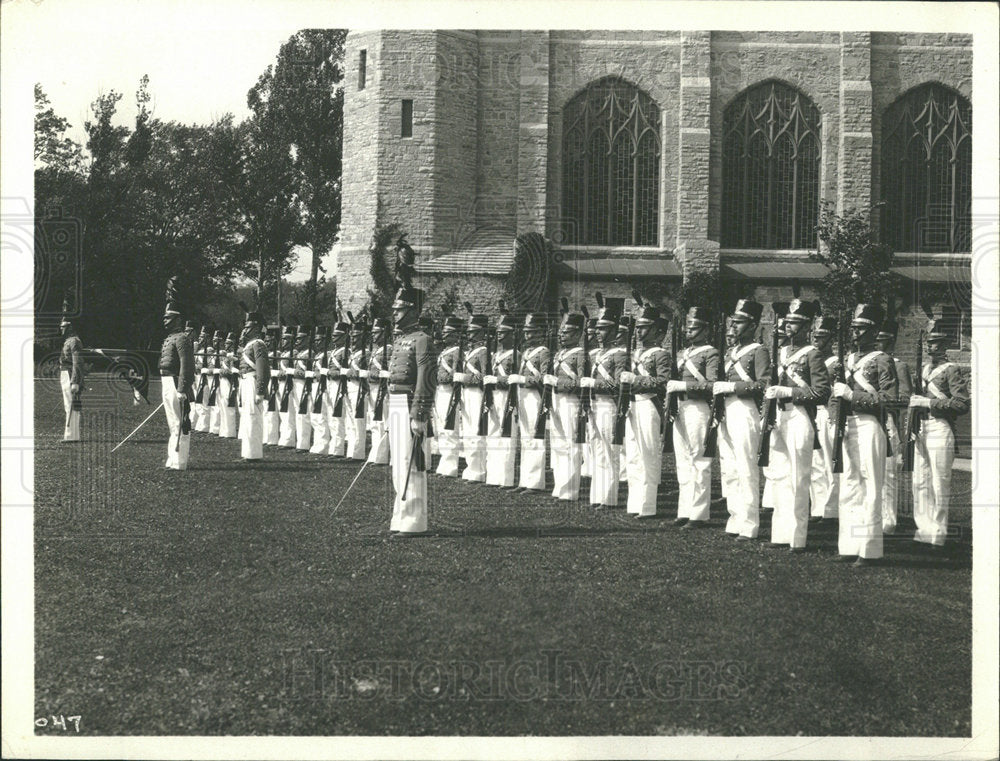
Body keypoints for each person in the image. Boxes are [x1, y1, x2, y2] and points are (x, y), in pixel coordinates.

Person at [831, 303, 897, 567]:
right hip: (847, 424)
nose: (855, 334)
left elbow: (890, 399)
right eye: (854, 328)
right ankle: (849, 544)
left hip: (870, 424)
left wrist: (853, 396)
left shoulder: (882, 360)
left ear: (873, 332)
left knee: (870, 487)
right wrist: (835, 419)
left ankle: (869, 549)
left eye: (861, 329)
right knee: (849, 486)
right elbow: (834, 395)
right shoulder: (846, 360)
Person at [764, 299, 829, 552]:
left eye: (795, 323)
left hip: (800, 415)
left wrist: (789, 392)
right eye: (788, 322)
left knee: (799, 477)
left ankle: (798, 537)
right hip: (779, 416)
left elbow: (822, 392)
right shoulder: (779, 353)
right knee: (779, 475)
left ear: (806, 327)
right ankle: (780, 533)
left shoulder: (812, 354)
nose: (789, 327)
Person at [909, 318, 969, 549]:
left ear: (944, 345)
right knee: (919, 482)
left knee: (939, 482)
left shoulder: (951, 369)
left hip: (939, 427)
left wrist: (929, 402)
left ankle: (939, 533)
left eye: (934, 343)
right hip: (921, 427)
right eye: (928, 342)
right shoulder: (924, 369)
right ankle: (924, 530)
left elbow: (962, 404)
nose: (929, 346)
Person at [714, 299, 769, 539]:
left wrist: (732, 386)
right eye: (733, 322)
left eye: (739, 322)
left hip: (745, 409)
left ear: (752, 325)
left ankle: (749, 523)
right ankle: (734, 518)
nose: (734, 326)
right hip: (727, 409)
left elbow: (764, 384)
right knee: (730, 467)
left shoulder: (759, 351)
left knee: (746, 467)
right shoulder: (731, 352)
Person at [386, 285, 437, 537]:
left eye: (401, 310)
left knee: (412, 463)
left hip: (409, 405)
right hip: (396, 403)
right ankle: (401, 516)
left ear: (413, 311)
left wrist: (419, 414)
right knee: (398, 462)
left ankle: (415, 521)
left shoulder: (423, 340)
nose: (395, 314)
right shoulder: (399, 339)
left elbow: (426, 380)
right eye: (395, 310)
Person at [666, 306, 719, 527]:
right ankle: (684, 510)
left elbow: (711, 384)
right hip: (680, 407)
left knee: (700, 461)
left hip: (698, 408)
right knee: (683, 462)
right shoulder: (682, 353)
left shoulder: (711, 353)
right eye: (688, 327)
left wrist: (684, 385)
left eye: (695, 328)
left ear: (705, 330)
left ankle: (699, 514)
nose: (690, 331)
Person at [622, 306, 670, 518]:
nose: (639, 332)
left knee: (648, 455)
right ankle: (635, 503)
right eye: (638, 327)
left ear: (655, 330)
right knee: (632, 455)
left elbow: (663, 382)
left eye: (644, 328)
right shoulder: (636, 353)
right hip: (632, 403)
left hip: (650, 404)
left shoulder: (661, 354)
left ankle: (648, 505)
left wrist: (636, 380)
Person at [584, 303, 627, 508]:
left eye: (603, 329)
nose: (598, 333)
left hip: (609, 404)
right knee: (597, 450)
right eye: (598, 329)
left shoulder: (620, 354)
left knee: (610, 452)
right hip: (593, 404)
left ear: (614, 330)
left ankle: (609, 497)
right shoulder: (595, 354)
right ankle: (597, 495)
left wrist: (595, 384)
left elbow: (618, 384)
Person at [875, 320, 913, 535]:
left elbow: (905, 398)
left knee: (889, 473)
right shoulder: (872, 362)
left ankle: (888, 521)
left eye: (881, 340)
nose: (877, 343)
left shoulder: (898, 365)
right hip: (871, 419)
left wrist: (882, 401)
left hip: (888, 420)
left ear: (890, 341)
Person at [548, 311, 587, 502]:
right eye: (562, 332)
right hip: (556, 399)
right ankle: (560, 485)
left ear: (578, 334)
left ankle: (570, 489)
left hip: (571, 400)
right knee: (558, 444)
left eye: (568, 332)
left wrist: (557, 383)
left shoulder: (580, 354)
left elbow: (580, 382)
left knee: (571, 444)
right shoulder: (559, 354)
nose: (562, 335)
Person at [511, 314, 550, 493]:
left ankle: (535, 482)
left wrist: (523, 379)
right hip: (523, 395)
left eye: (532, 332)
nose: (528, 336)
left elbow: (543, 378)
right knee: (525, 439)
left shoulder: (544, 352)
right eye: (526, 332)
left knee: (535, 439)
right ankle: (524, 480)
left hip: (535, 396)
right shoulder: (525, 352)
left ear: (540, 333)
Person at [158, 278, 194, 470]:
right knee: (172, 421)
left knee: (181, 422)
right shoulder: (171, 338)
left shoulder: (181, 338)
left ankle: (180, 460)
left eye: (168, 318)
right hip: (167, 382)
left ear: (177, 320)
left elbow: (187, 366)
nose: (165, 321)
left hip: (175, 382)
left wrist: (182, 388)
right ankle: (172, 458)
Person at [808, 315, 841, 523]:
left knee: (830, 462)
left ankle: (831, 509)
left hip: (828, 412)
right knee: (815, 464)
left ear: (830, 340)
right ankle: (818, 507)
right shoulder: (811, 358)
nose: (816, 340)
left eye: (821, 337)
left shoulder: (835, 363)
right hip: (811, 412)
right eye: (814, 336)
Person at [485, 312, 518, 488]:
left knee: (506, 435)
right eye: (498, 332)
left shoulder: (516, 354)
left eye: (503, 332)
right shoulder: (495, 355)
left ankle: (505, 478)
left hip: (507, 396)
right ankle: (493, 475)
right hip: (493, 394)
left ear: (512, 334)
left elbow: (515, 379)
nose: (499, 336)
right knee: (492, 434)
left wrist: (497, 380)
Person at [760, 306, 789, 513]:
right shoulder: (775, 358)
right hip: (774, 408)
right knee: (772, 453)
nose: (778, 337)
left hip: (793, 409)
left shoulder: (796, 357)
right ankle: (771, 499)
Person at [458, 310, 490, 483]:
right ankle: (471, 468)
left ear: (481, 332)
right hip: (467, 393)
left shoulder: (483, 351)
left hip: (477, 393)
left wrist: (465, 378)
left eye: (472, 332)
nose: (469, 335)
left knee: (477, 433)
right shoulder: (470, 351)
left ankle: (478, 470)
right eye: (468, 332)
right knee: (468, 432)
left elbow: (485, 377)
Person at [434, 315, 465, 476]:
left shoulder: (457, 351)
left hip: (450, 391)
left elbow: (456, 373)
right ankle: (444, 463)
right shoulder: (445, 351)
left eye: (448, 332)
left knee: (449, 428)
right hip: (440, 390)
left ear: (455, 335)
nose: (444, 335)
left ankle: (451, 466)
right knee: (441, 428)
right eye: (444, 331)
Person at [237, 307, 270, 461]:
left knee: (253, 417)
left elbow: (262, 369)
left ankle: (254, 454)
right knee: (246, 417)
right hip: (245, 381)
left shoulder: (258, 344)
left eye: (248, 327)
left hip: (252, 381)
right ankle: (247, 452)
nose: (245, 330)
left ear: (256, 328)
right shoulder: (249, 345)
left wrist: (260, 391)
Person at [366, 318, 393, 465]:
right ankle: (375, 454)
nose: (373, 335)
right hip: (373, 387)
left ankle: (381, 456)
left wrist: (383, 375)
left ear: (384, 333)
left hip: (382, 388)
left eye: (376, 332)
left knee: (382, 421)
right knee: (375, 423)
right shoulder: (377, 349)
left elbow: (391, 370)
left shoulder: (388, 349)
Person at [58, 297, 84, 442]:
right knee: (70, 404)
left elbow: (77, 362)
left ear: (70, 327)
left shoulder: (74, 341)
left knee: (71, 404)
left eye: (63, 327)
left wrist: (75, 381)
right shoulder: (69, 340)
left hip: (70, 375)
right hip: (65, 374)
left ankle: (71, 436)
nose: (61, 329)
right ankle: (72, 435)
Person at [345, 318, 370, 460]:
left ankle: (358, 452)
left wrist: (356, 373)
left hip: (359, 387)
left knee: (358, 420)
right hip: (350, 386)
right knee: (350, 421)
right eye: (352, 337)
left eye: (357, 337)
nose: (354, 340)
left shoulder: (365, 353)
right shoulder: (351, 353)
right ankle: (351, 451)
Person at [325, 321, 351, 457]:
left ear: (344, 337)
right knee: (331, 417)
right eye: (333, 335)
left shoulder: (346, 352)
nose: (334, 338)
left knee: (338, 417)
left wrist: (330, 372)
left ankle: (338, 449)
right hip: (331, 384)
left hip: (339, 384)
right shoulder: (334, 351)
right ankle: (334, 447)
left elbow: (346, 370)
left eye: (337, 336)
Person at [308, 327, 332, 454]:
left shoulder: (327, 355)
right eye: (316, 341)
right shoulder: (318, 355)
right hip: (315, 385)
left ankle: (323, 445)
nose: (317, 343)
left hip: (323, 385)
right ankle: (318, 444)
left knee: (321, 416)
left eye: (320, 340)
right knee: (315, 417)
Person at [277, 326, 297, 447]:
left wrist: (286, 372)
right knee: (283, 412)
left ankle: (289, 439)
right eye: (283, 339)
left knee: (289, 412)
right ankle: (284, 438)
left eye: (286, 339)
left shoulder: (293, 353)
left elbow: (295, 369)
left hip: (289, 383)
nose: (283, 341)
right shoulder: (282, 353)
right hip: (281, 383)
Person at [263, 326, 282, 446]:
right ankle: (266, 437)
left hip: (275, 381)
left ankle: (272, 438)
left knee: (272, 410)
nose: (267, 343)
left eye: (269, 341)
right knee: (266, 409)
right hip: (266, 380)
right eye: (266, 341)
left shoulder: (278, 353)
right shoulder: (265, 352)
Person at [218, 332, 239, 439]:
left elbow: (233, 371)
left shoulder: (235, 356)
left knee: (228, 404)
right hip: (223, 380)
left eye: (228, 344)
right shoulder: (225, 355)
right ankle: (224, 430)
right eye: (225, 343)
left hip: (229, 381)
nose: (226, 345)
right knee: (222, 404)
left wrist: (223, 371)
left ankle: (230, 431)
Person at [207, 330, 224, 436]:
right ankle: (213, 427)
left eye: (217, 340)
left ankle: (217, 427)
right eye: (213, 340)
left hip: (219, 379)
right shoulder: (212, 353)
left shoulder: (222, 353)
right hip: (211, 378)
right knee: (213, 403)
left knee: (218, 403)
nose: (214, 342)